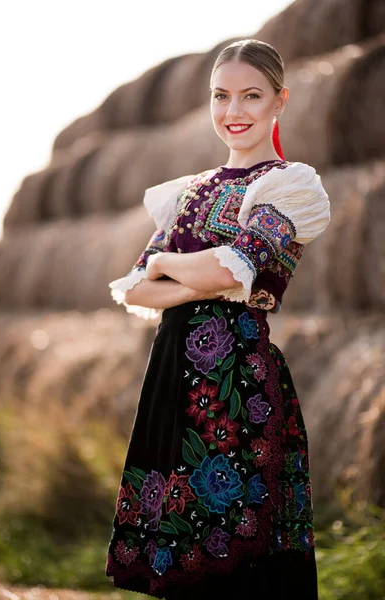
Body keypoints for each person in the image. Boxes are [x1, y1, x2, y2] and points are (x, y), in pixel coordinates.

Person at [105, 38, 330, 600]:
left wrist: (163, 261)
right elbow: (139, 290)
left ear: (279, 101)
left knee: (236, 545)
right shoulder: (186, 193)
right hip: (171, 374)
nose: (234, 112)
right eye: (221, 96)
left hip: (238, 379)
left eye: (251, 96)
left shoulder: (290, 185)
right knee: (179, 552)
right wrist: (188, 273)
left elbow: (242, 266)